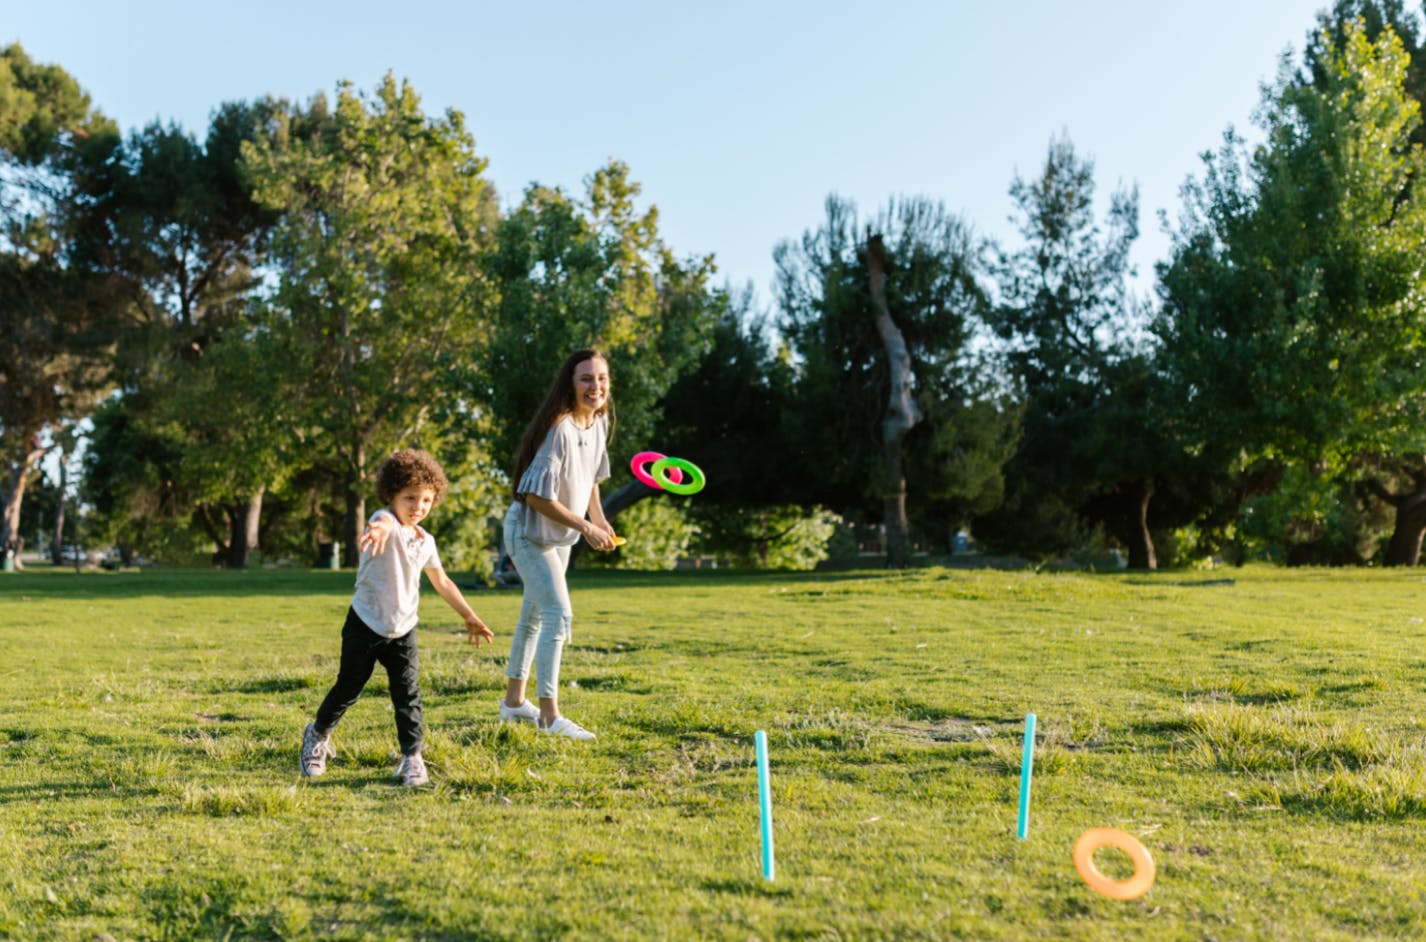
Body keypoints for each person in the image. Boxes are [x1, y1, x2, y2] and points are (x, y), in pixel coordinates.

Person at [300, 449, 494, 785]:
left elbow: (442, 581)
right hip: (365, 623)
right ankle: (317, 736)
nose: (418, 507)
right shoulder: (385, 520)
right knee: (349, 687)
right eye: (410, 498)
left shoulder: (426, 541)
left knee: (408, 694)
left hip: (404, 628)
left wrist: (469, 615)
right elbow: (383, 523)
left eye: (426, 500)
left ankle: (412, 758)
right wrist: (375, 530)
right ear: (392, 495)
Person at [498, 348, 618, 740]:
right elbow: (533, 496)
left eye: (601, 378)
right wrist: (585, 527)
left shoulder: (596, 423)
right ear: (570, 384)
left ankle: (513, 704)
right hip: (528, 532)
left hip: (558, 534)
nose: (595, 386)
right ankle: (549, 717)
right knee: (558, 615)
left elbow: (592, 480)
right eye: (586, 378)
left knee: (534, 616)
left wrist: (598, 521)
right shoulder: (560, 429)